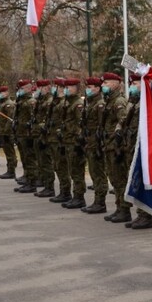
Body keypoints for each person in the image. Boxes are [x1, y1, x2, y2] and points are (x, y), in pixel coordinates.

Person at [123, 73, 152, 230]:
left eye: (135, 83)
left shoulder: (148, 103)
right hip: (132, 147)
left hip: (143, 149)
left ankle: (146, 216)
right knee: (136, 181)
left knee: (143, 182)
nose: (132, 87)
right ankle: (141, 214)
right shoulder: (134, 102)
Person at [102, 72, 132, 223]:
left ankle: (124, 210)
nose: (103, 86)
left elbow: (123, 120)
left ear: (114, 83)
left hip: (116, 146)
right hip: (109, 145)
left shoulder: (118, 101)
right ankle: (119, 207)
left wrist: (119, 143)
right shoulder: (110, 100)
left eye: (106, 83)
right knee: (114, 178)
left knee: (120, 179)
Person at [81, 76, 108, 214]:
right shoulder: (90, 103)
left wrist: (99, 145)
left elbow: (101, 127)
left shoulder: (100, 105)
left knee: (98, 173)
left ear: (97, 89)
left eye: (90, 87)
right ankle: (97, 201)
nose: (88, 90)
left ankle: (100, 202)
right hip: (90, 143)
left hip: (96, 144)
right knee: (93, 172)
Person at [60, 78, 87, 210]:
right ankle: (75, 196)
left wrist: (78, 141)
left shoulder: (78, 104)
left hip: (74, 142)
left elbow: (80, 124)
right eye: (66, 87)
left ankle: (79, 197)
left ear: (76, 88)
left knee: (77, 171)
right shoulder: (68, 102)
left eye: (69, 87)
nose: (66, 89)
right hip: (68, 141)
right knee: (72, 170)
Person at [48, 79, 72, 204]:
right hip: (54, 138)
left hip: (61, 140)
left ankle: (66, 192)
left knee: (62, 167)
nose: (53, 89)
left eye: (55, 87)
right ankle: (63, 191)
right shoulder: (57, 102)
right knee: (57, 166)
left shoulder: (64, 103)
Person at [13, 79, 39, 193]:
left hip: (27, 135)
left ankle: (32, 182)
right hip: (21, 133)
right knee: (25, 158)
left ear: (28, 88)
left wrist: (30, 134)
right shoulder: (21, 101)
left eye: (22, 89)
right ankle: (28, 179)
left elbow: (34, 119)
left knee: (30, 159)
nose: (20, 91)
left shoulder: (31, 102)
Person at [32, 79, 55, 198]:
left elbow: (48, 119)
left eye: (39, 88)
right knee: (41, 161)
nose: (37, 91)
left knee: (46, 162)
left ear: (45, 88)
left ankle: (49, 187)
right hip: (39, 134)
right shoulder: (41, 100)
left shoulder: (49, 101)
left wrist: (42, 129)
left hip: (45, 136)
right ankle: (45, 184)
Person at [0, 85, 17, 179]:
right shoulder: (2, 103)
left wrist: (6, 131)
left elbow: (10, 119)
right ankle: (10, 169)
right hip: (2, 131)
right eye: (0, 93)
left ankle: (11, 170)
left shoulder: (9, 104)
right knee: (7, 152)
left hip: (7, 133)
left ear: (7, 93)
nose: (1, 94)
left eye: (3, 92)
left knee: (10, 152)